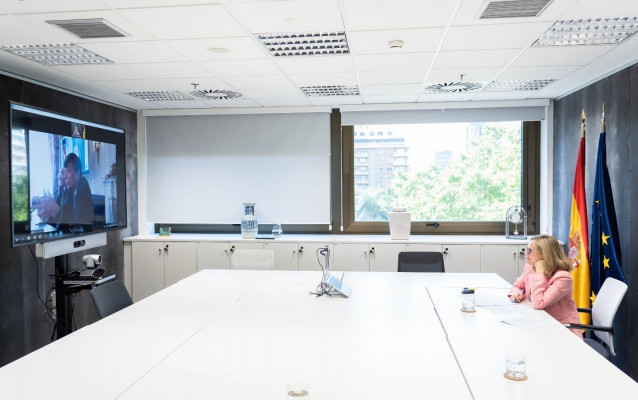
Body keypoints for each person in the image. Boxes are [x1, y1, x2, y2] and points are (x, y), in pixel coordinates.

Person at [508, 234, 583, 338]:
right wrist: (515, 293)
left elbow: (539, 303)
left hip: (563, 330)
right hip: (540, 323)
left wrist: (540, 273)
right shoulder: (530, 268)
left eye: (530, 251)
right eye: (526, 249)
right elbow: (518, 286)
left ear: (545, 255)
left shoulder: (563, 278)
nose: (526, 253)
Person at [33, 153, 94, 231]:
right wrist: (47, 215)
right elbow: (62, 219)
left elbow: (77, 229)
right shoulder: (70, 190)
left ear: (78, 173)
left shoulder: (83, 186)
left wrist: (55, 211)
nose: (64, 176)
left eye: (68, 171)